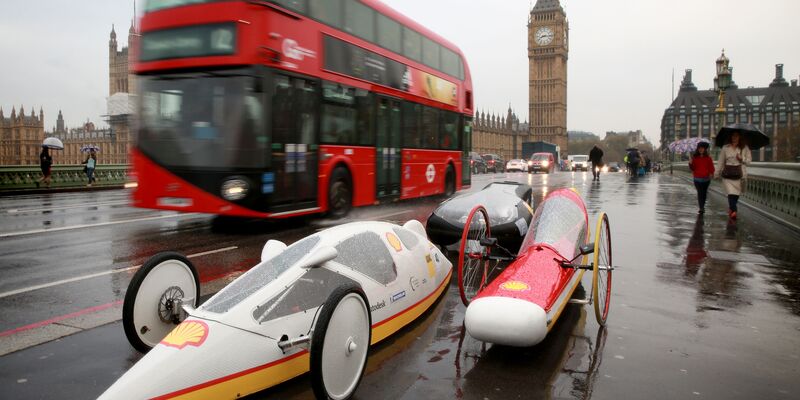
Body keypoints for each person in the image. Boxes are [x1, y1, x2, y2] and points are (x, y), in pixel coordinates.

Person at [715, 131, 751, 220]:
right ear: (730, 137)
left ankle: (731, 209)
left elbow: (749, 161)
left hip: (739, 174)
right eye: (733, 136)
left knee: (736, 194)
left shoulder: (744, 148)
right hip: (727, 174)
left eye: (736, 136)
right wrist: (717, 173)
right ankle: (734, 210)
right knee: (731, 193)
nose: (734, 137)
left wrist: (742, 158)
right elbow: (720, 161)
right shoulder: (725, 148)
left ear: (739, 137)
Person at [688, 142, 714, 214]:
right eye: (699, 148)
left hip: (706, 179)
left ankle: (702, 206)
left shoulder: (708, 158)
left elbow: (711, 167)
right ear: (698, 149)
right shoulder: (695, 158)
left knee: (704, 193)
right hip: (697, 178)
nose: (701, 149)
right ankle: (701, 207)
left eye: (702, 148)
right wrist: (690, 163)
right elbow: (693, 168)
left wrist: (711, 173)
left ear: (705, 149)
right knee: (700, 192)